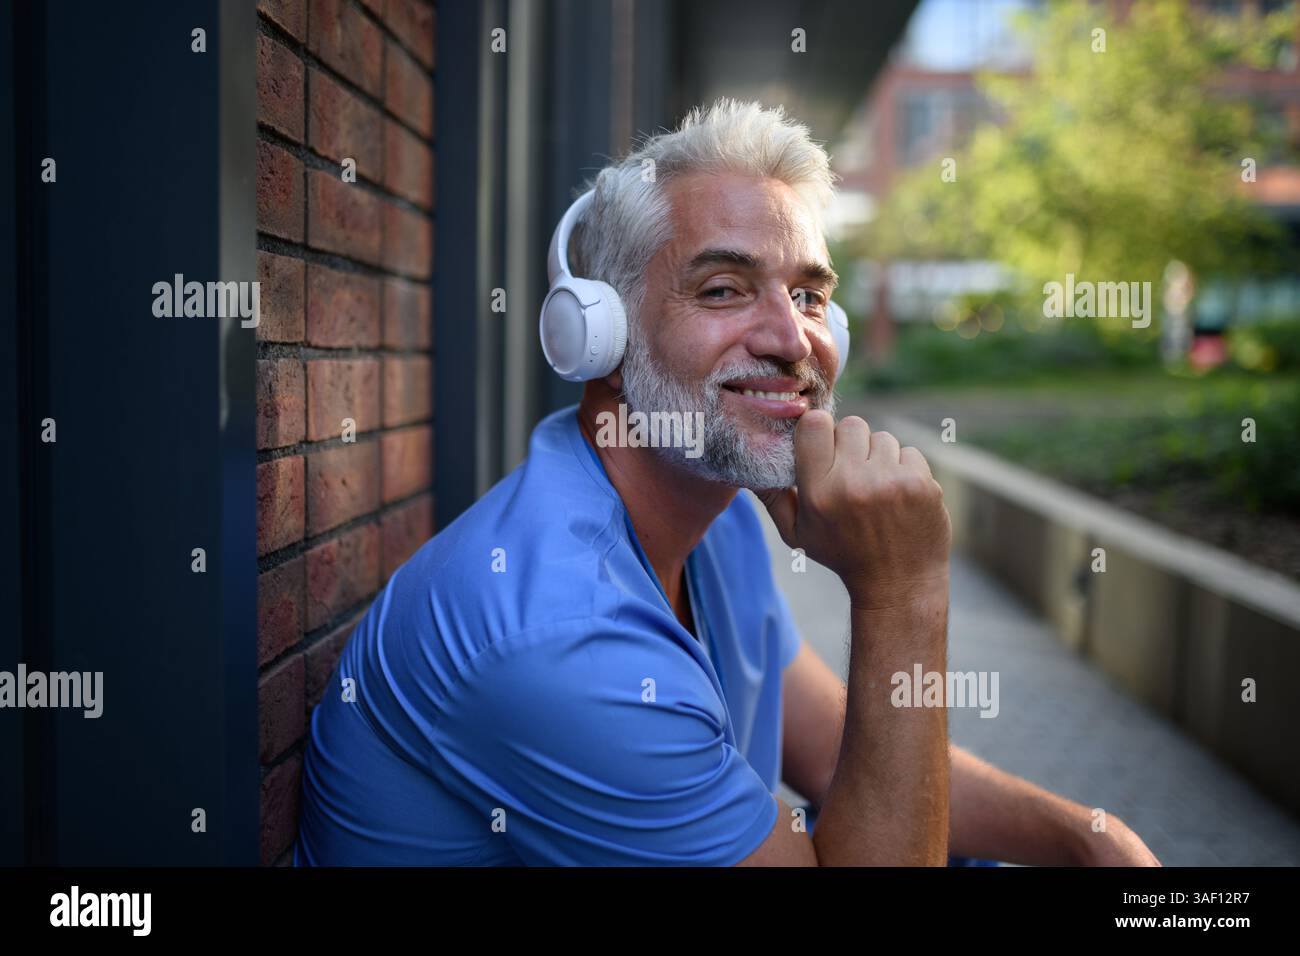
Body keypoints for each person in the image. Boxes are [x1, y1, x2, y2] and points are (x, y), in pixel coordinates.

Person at [294, 99, 1161, 867]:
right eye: (724, 289)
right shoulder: (561, 640)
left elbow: (831, 756)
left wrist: (1085, 834)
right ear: (595, 336)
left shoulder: (722, 516)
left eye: (812, 297)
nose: (792, 339)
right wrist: (903, 590)